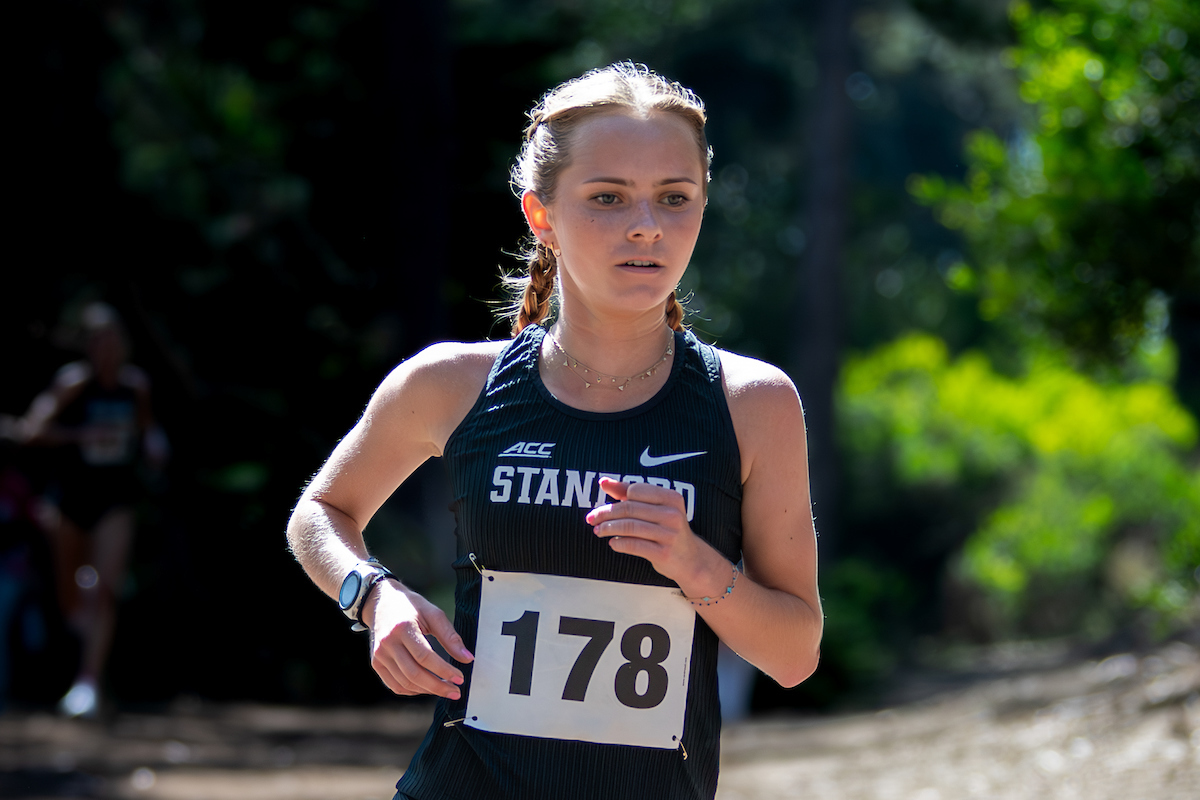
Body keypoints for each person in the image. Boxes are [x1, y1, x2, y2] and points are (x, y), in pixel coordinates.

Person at [287, 62, 822, 800]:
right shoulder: (451, 383)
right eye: (608, 197)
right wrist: (374, 596)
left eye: (675, 198)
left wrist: (693, 563)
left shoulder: (752, 402)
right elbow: (319, 514)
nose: (646, 225)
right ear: (542, 216)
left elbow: (794, 655)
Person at [11, 302, 167, 717]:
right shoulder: (74, 384)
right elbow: (33, 429)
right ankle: (81, 639)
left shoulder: (136, 387)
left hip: (115, 499)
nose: (107, 350)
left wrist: (153, 444)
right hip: (69, 499)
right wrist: (81, 434)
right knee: (72, 595)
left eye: (113, 341)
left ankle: (87, 683)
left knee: (104, 590)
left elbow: (147, 429)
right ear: (89, 347)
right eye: (99, 342)